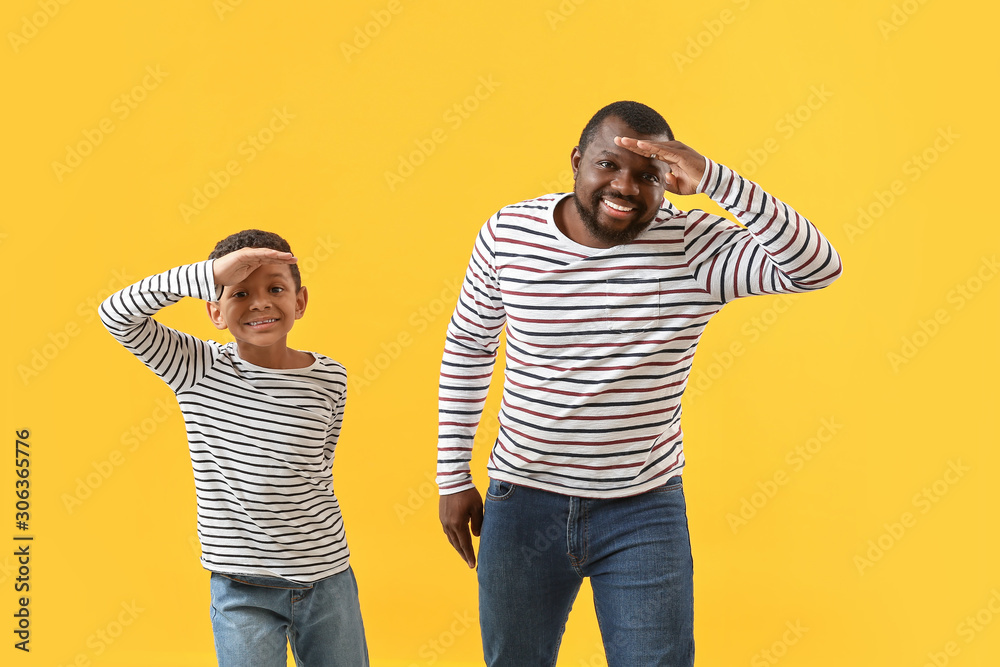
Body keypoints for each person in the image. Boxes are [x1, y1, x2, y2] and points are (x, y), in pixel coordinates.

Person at [436, 101, 843, 666]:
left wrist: (716, 180)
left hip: (642, 508)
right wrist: (451, 475)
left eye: (647, 175)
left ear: (670, 182)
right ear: (577, 162)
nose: (624, 186)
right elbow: (468, 348)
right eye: (608, 165)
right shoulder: (510, 233)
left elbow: (817, 267)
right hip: (523, 498)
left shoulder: (694, 248)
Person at [100, 230, 368, 667]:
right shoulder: (196, 368)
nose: (260, 302)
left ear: (299, 302)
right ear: (215, 310)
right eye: (239, 292)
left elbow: (319, 466)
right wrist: (209, 274)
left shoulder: (330, 378)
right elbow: (116, 314)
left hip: (327, 577)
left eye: (275, 289)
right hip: (242, 586)